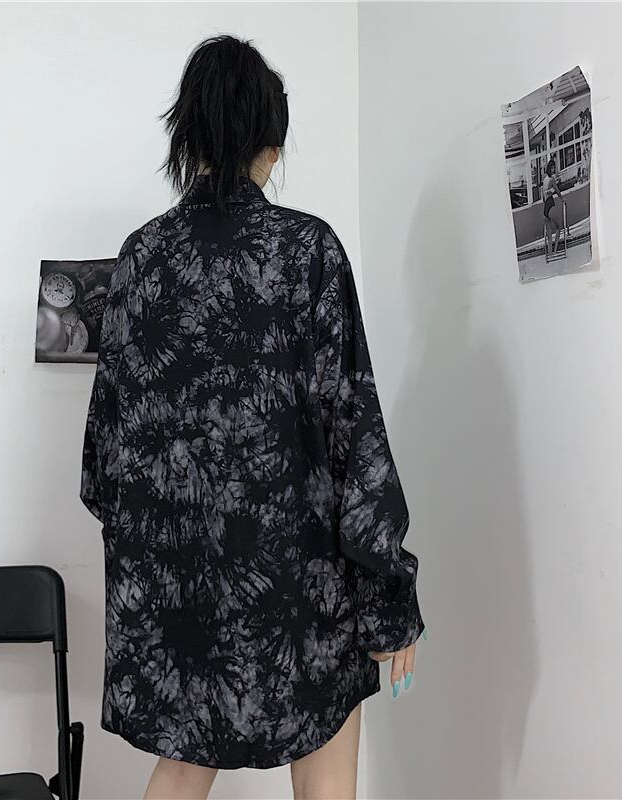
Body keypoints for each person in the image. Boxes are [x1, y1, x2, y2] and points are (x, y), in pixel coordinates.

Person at [80, 34, 426, 800]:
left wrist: (171, 553)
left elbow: (104, 463)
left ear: (189, 137)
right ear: (271, 142)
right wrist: (389, 595)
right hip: (299, 581)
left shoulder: (139, 257)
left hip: (179, 581)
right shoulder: (308, 250)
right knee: (327, 754)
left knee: (181, 764)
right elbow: (354, 436)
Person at [542, 158, 566, 257]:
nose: (553, 169)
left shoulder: (545, 179)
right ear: (550, 168)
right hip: (550, 204)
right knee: (558, 226)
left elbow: (543, 196)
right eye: (553, 168)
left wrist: (549, 193)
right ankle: (555, 250)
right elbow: (557, 190)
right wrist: (562, 199)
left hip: (545, 208)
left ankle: (550, 254)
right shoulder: (551, 179)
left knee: (549, 234)